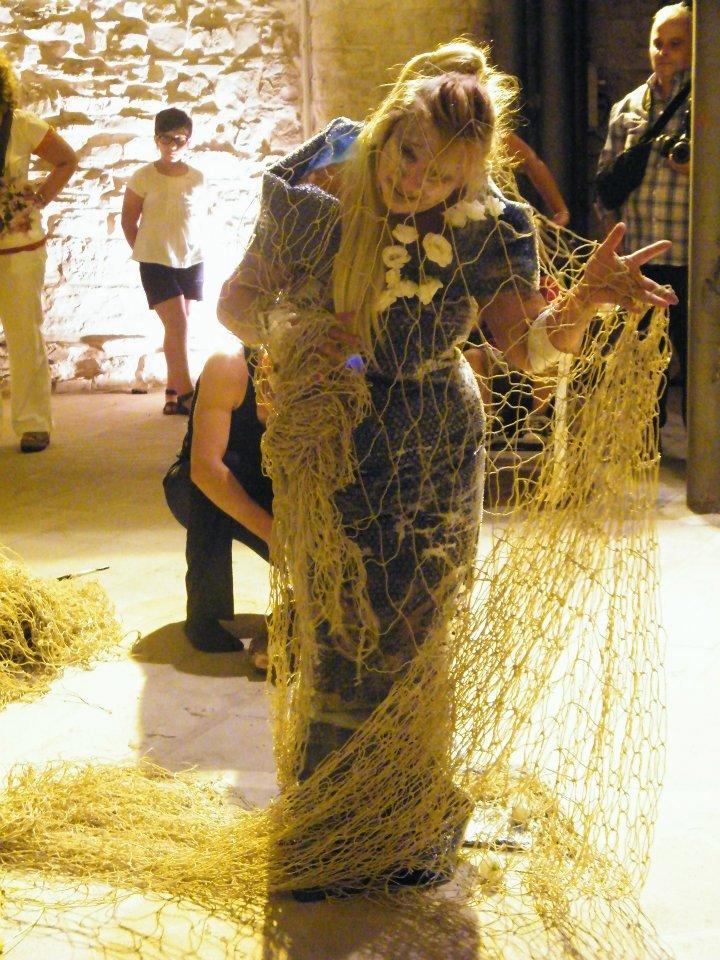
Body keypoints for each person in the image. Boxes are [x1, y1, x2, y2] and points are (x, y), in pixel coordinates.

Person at [216, 40, 676, 895]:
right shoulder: (318, 188)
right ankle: (327, 829)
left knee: (420, 637)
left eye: (442, 176)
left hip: (434, 442)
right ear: (389, 128)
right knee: (339, 629)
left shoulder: (490, 226)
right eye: (409, 155)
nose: (416, 182)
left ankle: (407, 824)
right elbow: (235, 302)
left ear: (471, 176)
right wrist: (296, 336)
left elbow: (528, 351)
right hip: (338, 433)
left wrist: (584, 303)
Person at [598, 2, 691, 431]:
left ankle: (704, 454)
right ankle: (646, 451)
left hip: (696, 259)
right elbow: (606, 186)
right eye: (658, 43)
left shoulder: (710, 103)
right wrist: (615, 257)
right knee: (642, 365)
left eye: (676, 44)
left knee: (701, 366)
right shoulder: (628, 107)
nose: (664, 52)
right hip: (640, 259)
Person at [163, 346, 272, 667]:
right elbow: (206, 468)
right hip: (198, 485)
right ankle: (204, 615)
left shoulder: (319, 369)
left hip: (267, 486)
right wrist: (274, 534)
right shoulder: (227, 367)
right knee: (218, 476)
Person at [0, 50, 78, 453]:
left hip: (18, 246)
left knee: (23, 334)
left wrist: (39, 199)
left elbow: (66, 159)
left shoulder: (21, 124)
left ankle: (33, 423)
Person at [121, 107, 206, 416]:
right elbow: (128, 220)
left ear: (189, 140)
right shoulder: (143, 176)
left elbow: (193, 217)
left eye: (180, 139)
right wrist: (146, 251)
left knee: (180, 327)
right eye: (166, 138)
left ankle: (171, 392)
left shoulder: (197, 178)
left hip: (191, 258)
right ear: (156, 139)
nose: (173, 145)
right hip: (156, 261)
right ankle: (186, 394)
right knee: (177, 323)